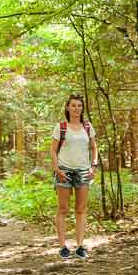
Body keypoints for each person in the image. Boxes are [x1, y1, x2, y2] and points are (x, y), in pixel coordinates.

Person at [50, 94, 97, 259]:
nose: (77, 108)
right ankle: (63, 246)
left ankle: (80, 246)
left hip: (83, 171)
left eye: (79, 106)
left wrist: (94, 165)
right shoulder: (61, 127)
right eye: (74, 105)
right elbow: (53, 150)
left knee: (81, 209)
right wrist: (57, 169)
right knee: (63, 209)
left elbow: (94, 148)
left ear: (82, 108)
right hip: (64, 170)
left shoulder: (87, 126)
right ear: (67, 108)